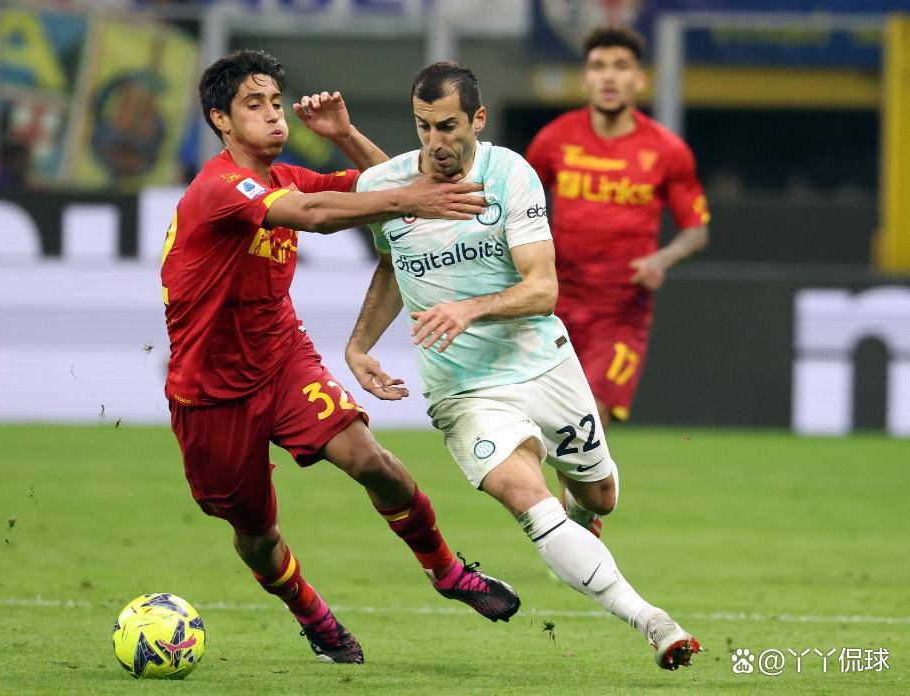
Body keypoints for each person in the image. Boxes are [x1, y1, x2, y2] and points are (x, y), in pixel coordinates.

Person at [160, 49, 520, 666]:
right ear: (221, 120)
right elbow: (316, 215)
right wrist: (412, 201)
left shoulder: (286, 176)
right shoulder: (219, 188)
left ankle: (447, 572)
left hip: (282, 359)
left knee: (373, 461)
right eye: (254, 105)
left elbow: (388, 184)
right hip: (210, 393)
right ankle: (314, 617)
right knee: (257, 535)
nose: (274, 115)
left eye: (277, 103)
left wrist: (347, 136)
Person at [347, 61, 701, 671]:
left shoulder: (510, 172)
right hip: (463, 390)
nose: (434, 142)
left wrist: (469, 309)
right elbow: (391, 265)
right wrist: (358, 346)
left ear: (477, 120)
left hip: (540, 363)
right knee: (527, 499)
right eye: (423, 126)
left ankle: (581, 518)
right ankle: (653, 621)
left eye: (448, 126)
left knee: (600, 496)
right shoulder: (382, 185)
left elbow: (542, 288)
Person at [525, 26, 709, 430]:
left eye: (621, 66)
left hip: (621, 310)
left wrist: (662, 259)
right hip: (551, 302)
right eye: (598, 66)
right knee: (536, 417)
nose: (609, 76)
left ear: (639, 79)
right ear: (586, 78)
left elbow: (696, 229)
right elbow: (516, 207)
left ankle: (575, 475)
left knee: (590, 414)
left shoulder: (667, 150)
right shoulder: (553, 140)